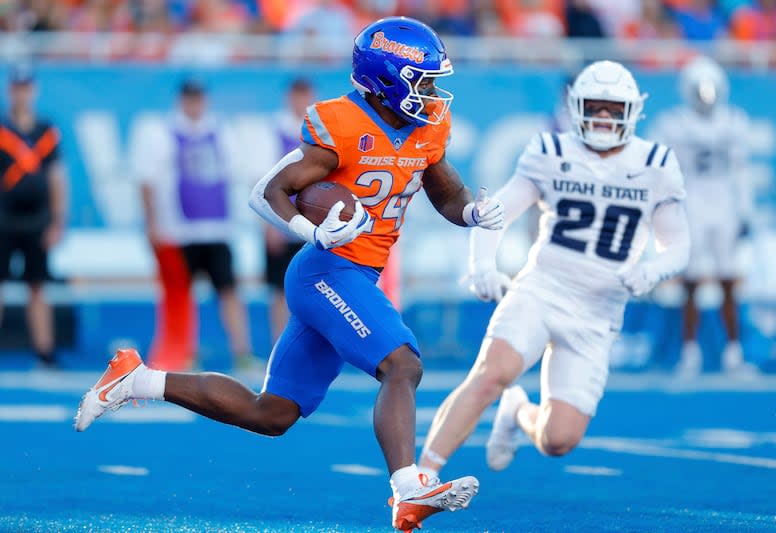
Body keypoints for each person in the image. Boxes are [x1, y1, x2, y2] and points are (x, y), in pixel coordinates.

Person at [75, 17, 503, 532]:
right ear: (389, 78)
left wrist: (471, 215)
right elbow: (266, 192)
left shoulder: (426, 128)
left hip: (356, 275)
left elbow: (444, 190)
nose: (433, 93)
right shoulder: (341, 123)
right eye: (424, 80)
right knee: (402, 365)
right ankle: (408, 489)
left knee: (271, 413)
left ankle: (136, 378)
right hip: (327, 269)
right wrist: (312, 230)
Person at [416, 60, 690, 479]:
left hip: (598, 313)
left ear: (632, 112)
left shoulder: (654, 163)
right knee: (491, 374)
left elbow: (677, 244)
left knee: (558, 439)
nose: (602, 116)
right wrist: (482, 265)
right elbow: (497, 213)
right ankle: (420, 479)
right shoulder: (553, 151)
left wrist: (653, 270)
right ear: (576, 105)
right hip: (542, 289)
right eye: (595, 106)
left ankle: (518, 411)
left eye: (612, 109)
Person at [132, 78, 254, 372]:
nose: (195, 104)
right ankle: (183, 351)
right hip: (178, 230)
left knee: (228, 290)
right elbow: (147, 181)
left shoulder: (221, 131)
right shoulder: (162, 131)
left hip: (216, 228)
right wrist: (152, 223)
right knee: (179, 293)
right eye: (190, 98)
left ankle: (242, 352)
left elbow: (237, 174)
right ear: (181, 100)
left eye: (199, 97)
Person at [649, 56, 757, 377]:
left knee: (728, 276)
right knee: (692, 278)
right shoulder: (674, 123)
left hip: (723, 201)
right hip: (692, 199)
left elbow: (741, 170)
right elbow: (659, 167)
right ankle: (689, 350)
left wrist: (745, 210)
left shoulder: (733, 121)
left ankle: (734, 351)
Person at [0, 64, 66, 367]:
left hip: (37, 220)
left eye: (27, 87)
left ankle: (45, 351)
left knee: (38, 286)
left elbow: (57, 177)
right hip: (3, 219)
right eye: (18, 87)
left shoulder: (46, 131)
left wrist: (57, 221)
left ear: (33, 90)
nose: (22, 93)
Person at [263, 78, 315, 346]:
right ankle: (280, 343)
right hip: (284, 220)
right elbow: (263, 181)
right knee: (280, 290)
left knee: (314, 288)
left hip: (314, 221)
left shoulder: (320, 129)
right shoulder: (275, 131)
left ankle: (309, 346)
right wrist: (270, 225)